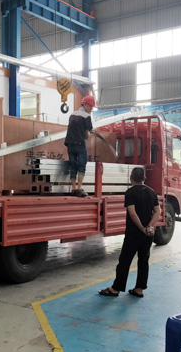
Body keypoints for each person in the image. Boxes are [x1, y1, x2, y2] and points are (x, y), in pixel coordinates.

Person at [98, 167, 161, 298]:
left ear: (131, 178)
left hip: (134, 233)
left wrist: (141, 228)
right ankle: (139, 289)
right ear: (144, 178)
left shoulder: (130, 192)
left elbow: (132, 213)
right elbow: (157, 211)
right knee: (143, 260)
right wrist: (149, 226)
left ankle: (116, 288)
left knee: (125, 261)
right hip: (148, 234)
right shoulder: (152, 192)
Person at [64, 95, 95, 197]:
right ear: (85, 104)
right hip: (80, 144)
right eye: (90, 106)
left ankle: (73, 188)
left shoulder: (72, 115)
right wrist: (88, 135)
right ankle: (79, 188)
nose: (91, 109)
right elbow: (87, 133)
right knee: (82, 165)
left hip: (70, 144)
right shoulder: (86, 117)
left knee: (73, 165)